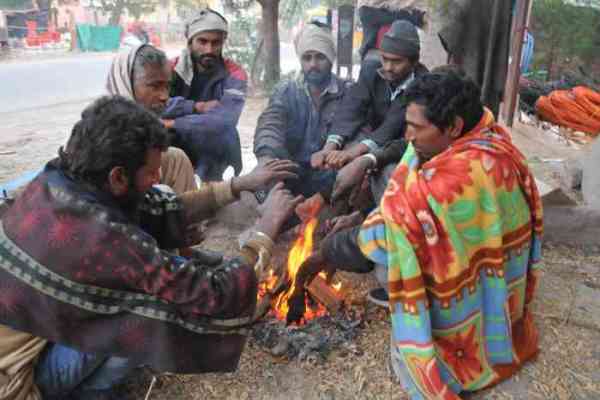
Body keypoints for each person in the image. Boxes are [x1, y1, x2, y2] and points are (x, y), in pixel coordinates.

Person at [0, 96, 303, 400]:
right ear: (118, 176)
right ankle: (91, 393)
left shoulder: (56, 180)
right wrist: (267, 228)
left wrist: (239, 185)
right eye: (151, 172)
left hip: (27, 332)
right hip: (16, 382)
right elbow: (215, 293)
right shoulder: (103, 238)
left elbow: (162, 208)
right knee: (149, 311)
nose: (158, 178)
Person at [294, 69, 543, 398]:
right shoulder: (489, 138)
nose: (408, 135)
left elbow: (386, 235)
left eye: (416, 127)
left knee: (391, 259)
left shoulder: (451, 180)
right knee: (390, 177)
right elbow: (402, 159)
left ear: (453, 126)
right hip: (493, 271)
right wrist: (364, 194)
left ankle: (451, 326)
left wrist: (326, 250)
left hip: (464, 300)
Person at [106, 43, 298, 263]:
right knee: (164, 191)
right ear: (126, 83)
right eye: (154, 86)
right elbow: (226, 285)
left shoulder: (128, 124)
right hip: (133, 257)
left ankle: (183, 249)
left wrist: (241, 183)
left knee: (176, 158)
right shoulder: (112, 142)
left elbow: (222, 120)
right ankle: (174, 253)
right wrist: (266, 228)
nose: (165, 96)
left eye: (166, 87)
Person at [254, 22, 349, 210]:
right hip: (291, 171)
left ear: (331, 58)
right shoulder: (287, 90)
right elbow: (270, 124)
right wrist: (267, 157)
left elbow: (357, 132)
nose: (313, 64)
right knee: (258, 187)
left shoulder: (347, 92)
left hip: (329, 175)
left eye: (320, 57)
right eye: (307, 58)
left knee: (352, 182)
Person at [312, 20, 428, 171]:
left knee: (384, 172)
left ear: (414, 62)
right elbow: (351, 108)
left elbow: (393, 125)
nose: (388, 67)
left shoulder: (423, 83)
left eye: (396, 61)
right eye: (384, 59)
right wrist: (329, 148)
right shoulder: (371, 70)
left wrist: (353, 153)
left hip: (401, 146)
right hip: (371, 137)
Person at [165, 8, 247, 182]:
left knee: (219, 134)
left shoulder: (235, 74)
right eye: (202, 41)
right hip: (172, 146)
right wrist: (196, 107)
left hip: (212, 150)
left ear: (223, 42)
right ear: (190, 41)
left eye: (216, 43)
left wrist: (171, 123)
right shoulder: (169, 69)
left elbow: (224, 120)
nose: (209, 49)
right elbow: (154, 106)